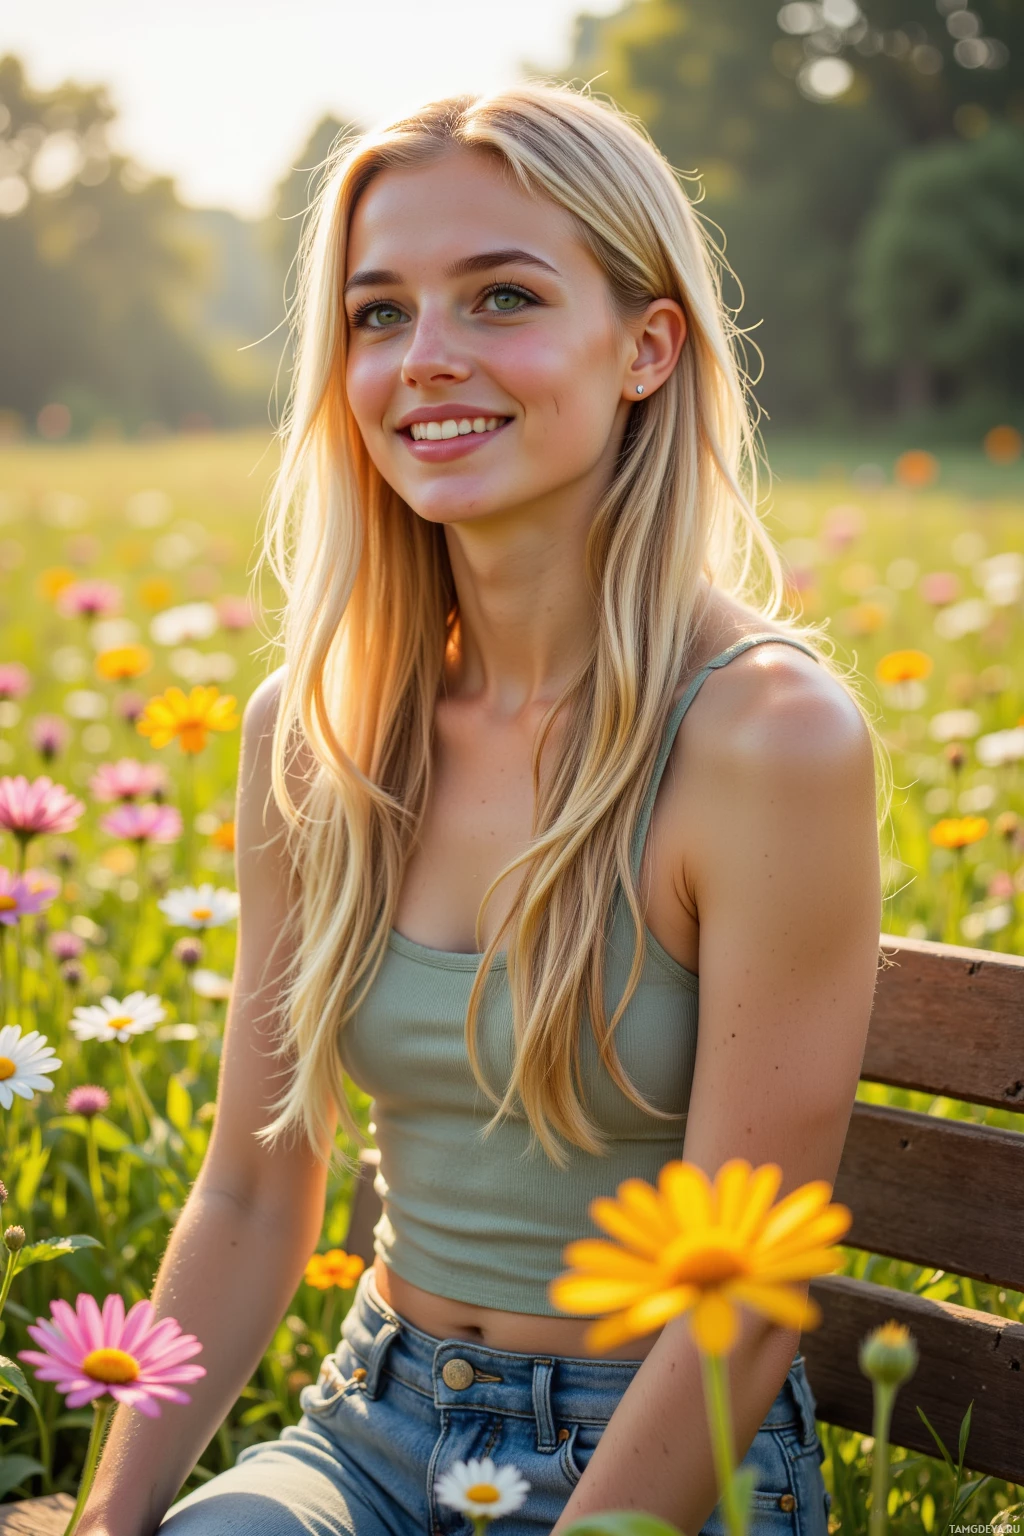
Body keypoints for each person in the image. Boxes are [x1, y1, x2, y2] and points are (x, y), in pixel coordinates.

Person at [78, 82, 885, 1536]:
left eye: (500, 297)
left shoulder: (769, 740)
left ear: (647, 348)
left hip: (660, 1457)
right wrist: (106, 1520)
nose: (426, 360)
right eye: (379, 314)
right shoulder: (316, 736)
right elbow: (256, 1201)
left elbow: (745, 1304)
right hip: (374, 1427)